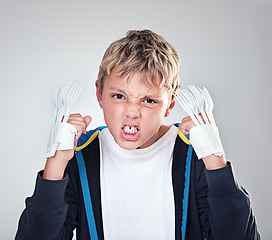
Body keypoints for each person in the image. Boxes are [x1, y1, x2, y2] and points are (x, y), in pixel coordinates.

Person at [15, 29, 260, 240]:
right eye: (119, 96)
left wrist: (214, 159)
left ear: (170, 104)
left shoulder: (193, 155)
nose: (132, 112)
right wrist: (55, 164)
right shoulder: (79, 155)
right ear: (100, 95)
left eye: (149, 100)